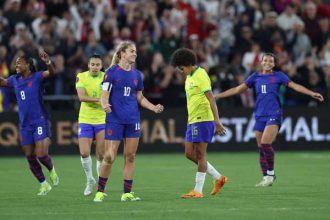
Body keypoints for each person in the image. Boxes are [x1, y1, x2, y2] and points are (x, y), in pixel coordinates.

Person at [215, 53, 324, 187]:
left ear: (273, 64)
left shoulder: (279, 76)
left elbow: (295, 86)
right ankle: (266, 177)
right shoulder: (255, 77)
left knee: (266, 143)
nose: (267, 62)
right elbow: (238, 89)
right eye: (265, 60)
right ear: (261, 62)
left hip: (274, 113)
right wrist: (217, 96)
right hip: (259, 115)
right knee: (261, 148)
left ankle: (271, 174)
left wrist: (311, 93)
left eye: (270, 61)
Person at [93, 41, 164, 202]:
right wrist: (105, 104)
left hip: (133, 120)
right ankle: (100, 191)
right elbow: (104, 95)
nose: (135, 53)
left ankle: (126, 193)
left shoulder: (137, 75)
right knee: (110, 156)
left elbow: (139, 97)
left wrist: (153, 108)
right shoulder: (111, 72)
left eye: (135, 51)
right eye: (131, 51)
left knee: (130, 156)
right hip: (115, 119)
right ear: (122, 54)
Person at [171, 48, 227, 199]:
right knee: (189, 153)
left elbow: (211, 97)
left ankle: (198, 190)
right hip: (193, 120)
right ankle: (218, 177)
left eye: (181, 68)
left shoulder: (201, 75)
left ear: (188, 64)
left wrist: (217, 121)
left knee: (201, 154)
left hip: (203, 119)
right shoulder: (189, 77)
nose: (181, 71)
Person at [0, 51, 59, 195]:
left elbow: (51, 73)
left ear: (28, 65)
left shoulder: (37, 77)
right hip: (25, 124)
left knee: (41, 155)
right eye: (16, 63)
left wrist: (48, 62)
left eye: (19, 62)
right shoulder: (15, 79)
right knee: (29, 156)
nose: (16, 65)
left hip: (39, 120)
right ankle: (44, 184)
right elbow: (2, 81)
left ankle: (51, 170)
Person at [76, 54, 105, 196]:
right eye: (92, 64)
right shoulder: (81, 76)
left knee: (100, 155)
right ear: (88, 65)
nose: (95, 67)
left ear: (101, 66)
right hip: (85, 119)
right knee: (84, 152)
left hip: (101, 120)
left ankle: (100, 184)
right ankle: (89, 180)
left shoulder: (106, 77)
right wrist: (99, 100)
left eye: (97, 65)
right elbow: (81, 97)